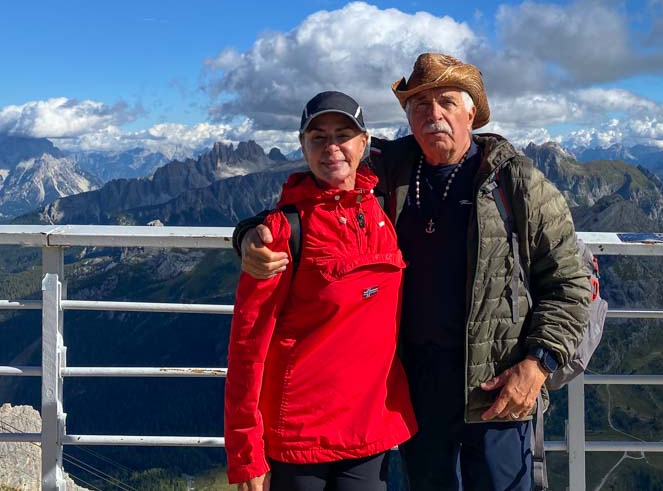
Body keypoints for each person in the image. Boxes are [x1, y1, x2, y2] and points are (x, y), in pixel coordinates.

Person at [234, 54, 591, 490]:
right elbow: (320, 187)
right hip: (414, 391)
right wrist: (251, 232)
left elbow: (569, 283)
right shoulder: (391, 169)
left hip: (497, 386)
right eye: (419, 105)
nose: (433, 115)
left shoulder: (516, 182)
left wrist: (537, 365)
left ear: (471, 112)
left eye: (446, 102)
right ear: (407, 116)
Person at [224, 91, 417, 491]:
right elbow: (247, 346)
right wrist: (246, 453)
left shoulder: (386, 207)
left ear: (365, 143)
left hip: (371, 427)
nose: (332, 148)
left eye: (343, 135)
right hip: (299, 439)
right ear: (303, 146)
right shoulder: (279, 232)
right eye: (318, 137)